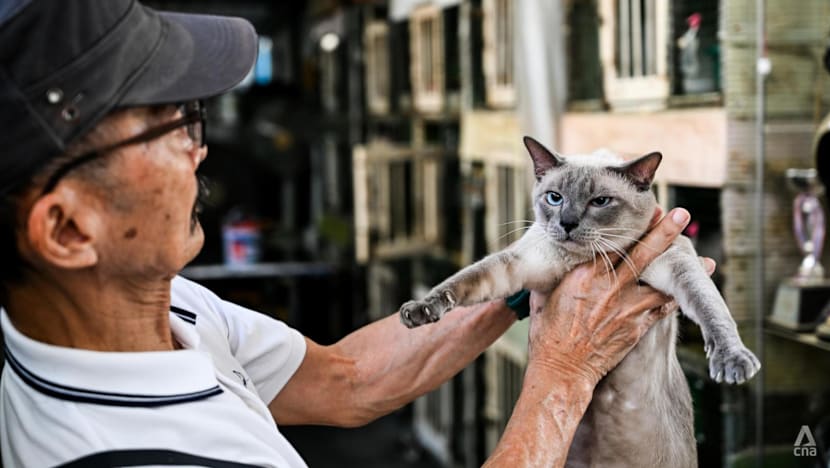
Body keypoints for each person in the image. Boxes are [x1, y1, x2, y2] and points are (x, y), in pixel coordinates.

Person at [0, 0, 701, 466]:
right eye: (174, 126)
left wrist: (530, 281)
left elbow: (348, 378)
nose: (201, 148)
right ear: (67, 229)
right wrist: (564, 370)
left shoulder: (167, 309)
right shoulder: (138, 455)